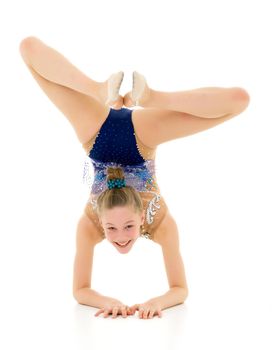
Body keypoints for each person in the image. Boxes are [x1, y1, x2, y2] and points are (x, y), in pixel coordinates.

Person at [19, 36, 250, 319]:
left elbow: (80, 291)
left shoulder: (89, 225)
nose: (120, 236)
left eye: (115, 228)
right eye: (125, 227)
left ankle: (106, 91)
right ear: (142, 216)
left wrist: (104, 300)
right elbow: (180, 289)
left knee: (28, 49)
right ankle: (143, 96)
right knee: (238, 102)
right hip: (141, 142)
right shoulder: (161, 222)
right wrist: (158, 301)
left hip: (97, 138)